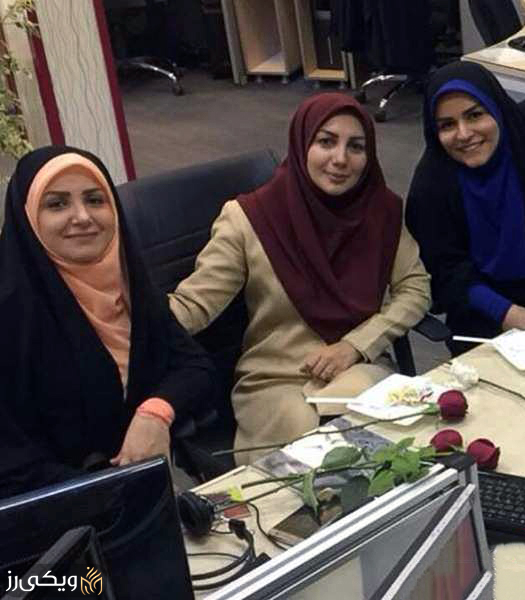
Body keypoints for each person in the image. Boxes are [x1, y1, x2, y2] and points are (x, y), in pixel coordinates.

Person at [169, 92, 431, 464]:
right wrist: (119, 326)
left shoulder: (381, 211)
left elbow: (415, 288)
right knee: (306, 462)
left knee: (377, 450)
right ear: (302, 142)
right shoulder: (249, 217)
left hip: (357, 365)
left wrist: (356, 345)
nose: (340, 159)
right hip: (275, 378)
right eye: (326, 142)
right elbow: (195, 305)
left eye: (356, 147)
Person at [0, 146, 215, 499]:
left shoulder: (128, 285)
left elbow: (195, 365)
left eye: (95, 200)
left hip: (146, 484)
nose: (82, 217)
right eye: (57, 204)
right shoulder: (11, 314)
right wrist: (110, 491)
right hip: (56, 507)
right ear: (28, 217)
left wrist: (156, 411)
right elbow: (11, 464)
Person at [406, 62, 525, 356]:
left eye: (474, 115)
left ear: (497, 110)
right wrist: (504, 311)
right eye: (447, 125)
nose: (463, 133)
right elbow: (444, 269)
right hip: (484, 314)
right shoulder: (432, 186)